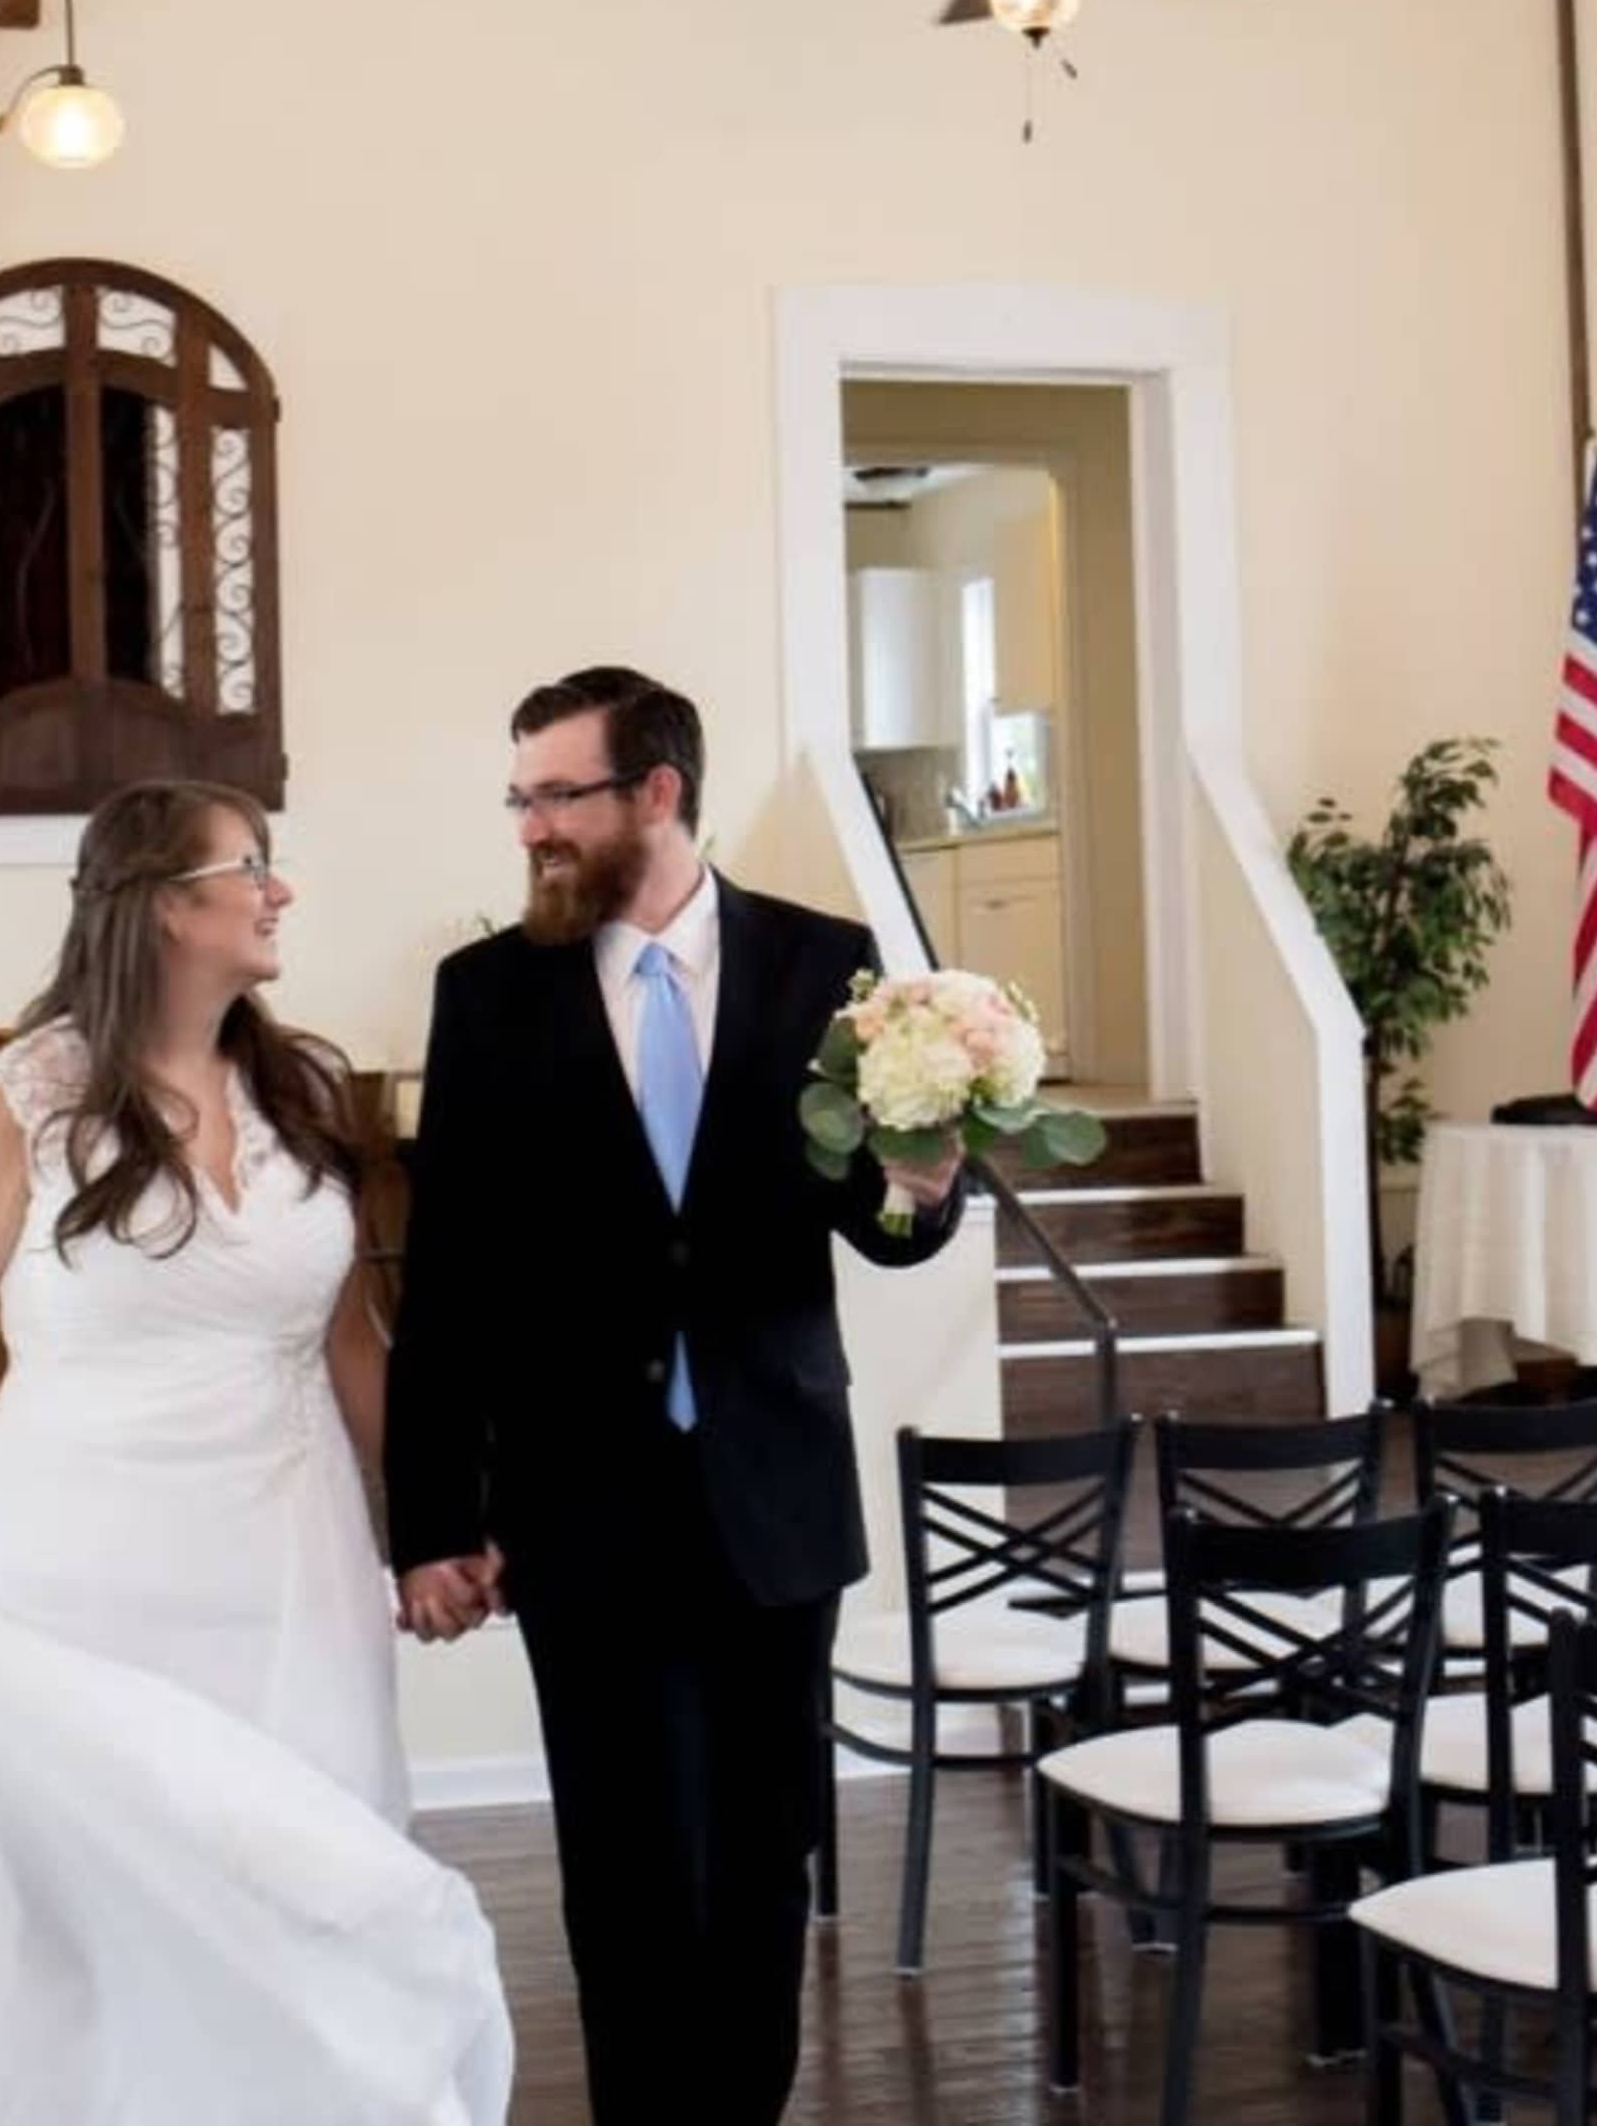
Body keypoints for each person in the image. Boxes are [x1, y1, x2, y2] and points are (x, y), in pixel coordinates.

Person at [0, 780, 510, 2126]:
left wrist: (433, 1528)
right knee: (110, 1926)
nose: (279, 892)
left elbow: (354, 1343)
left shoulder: (305, 1085)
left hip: (289, 1567)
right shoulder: (27, 1096)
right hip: (84, 1574)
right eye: (252, 869)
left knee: (313, 1885)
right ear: (168, 907)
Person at [387, 666, 967, 2124]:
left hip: (774, 1491)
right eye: (520, 797)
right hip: (579, 1506)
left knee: (770, 1861)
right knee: (624, 1870)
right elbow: (448, 1279)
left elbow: (882, 1223)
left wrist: (922, 1193)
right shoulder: (489, 995)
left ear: (657, 793)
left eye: (557, 795)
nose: (531, 828)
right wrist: (430, 1522)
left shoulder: (824, 966)